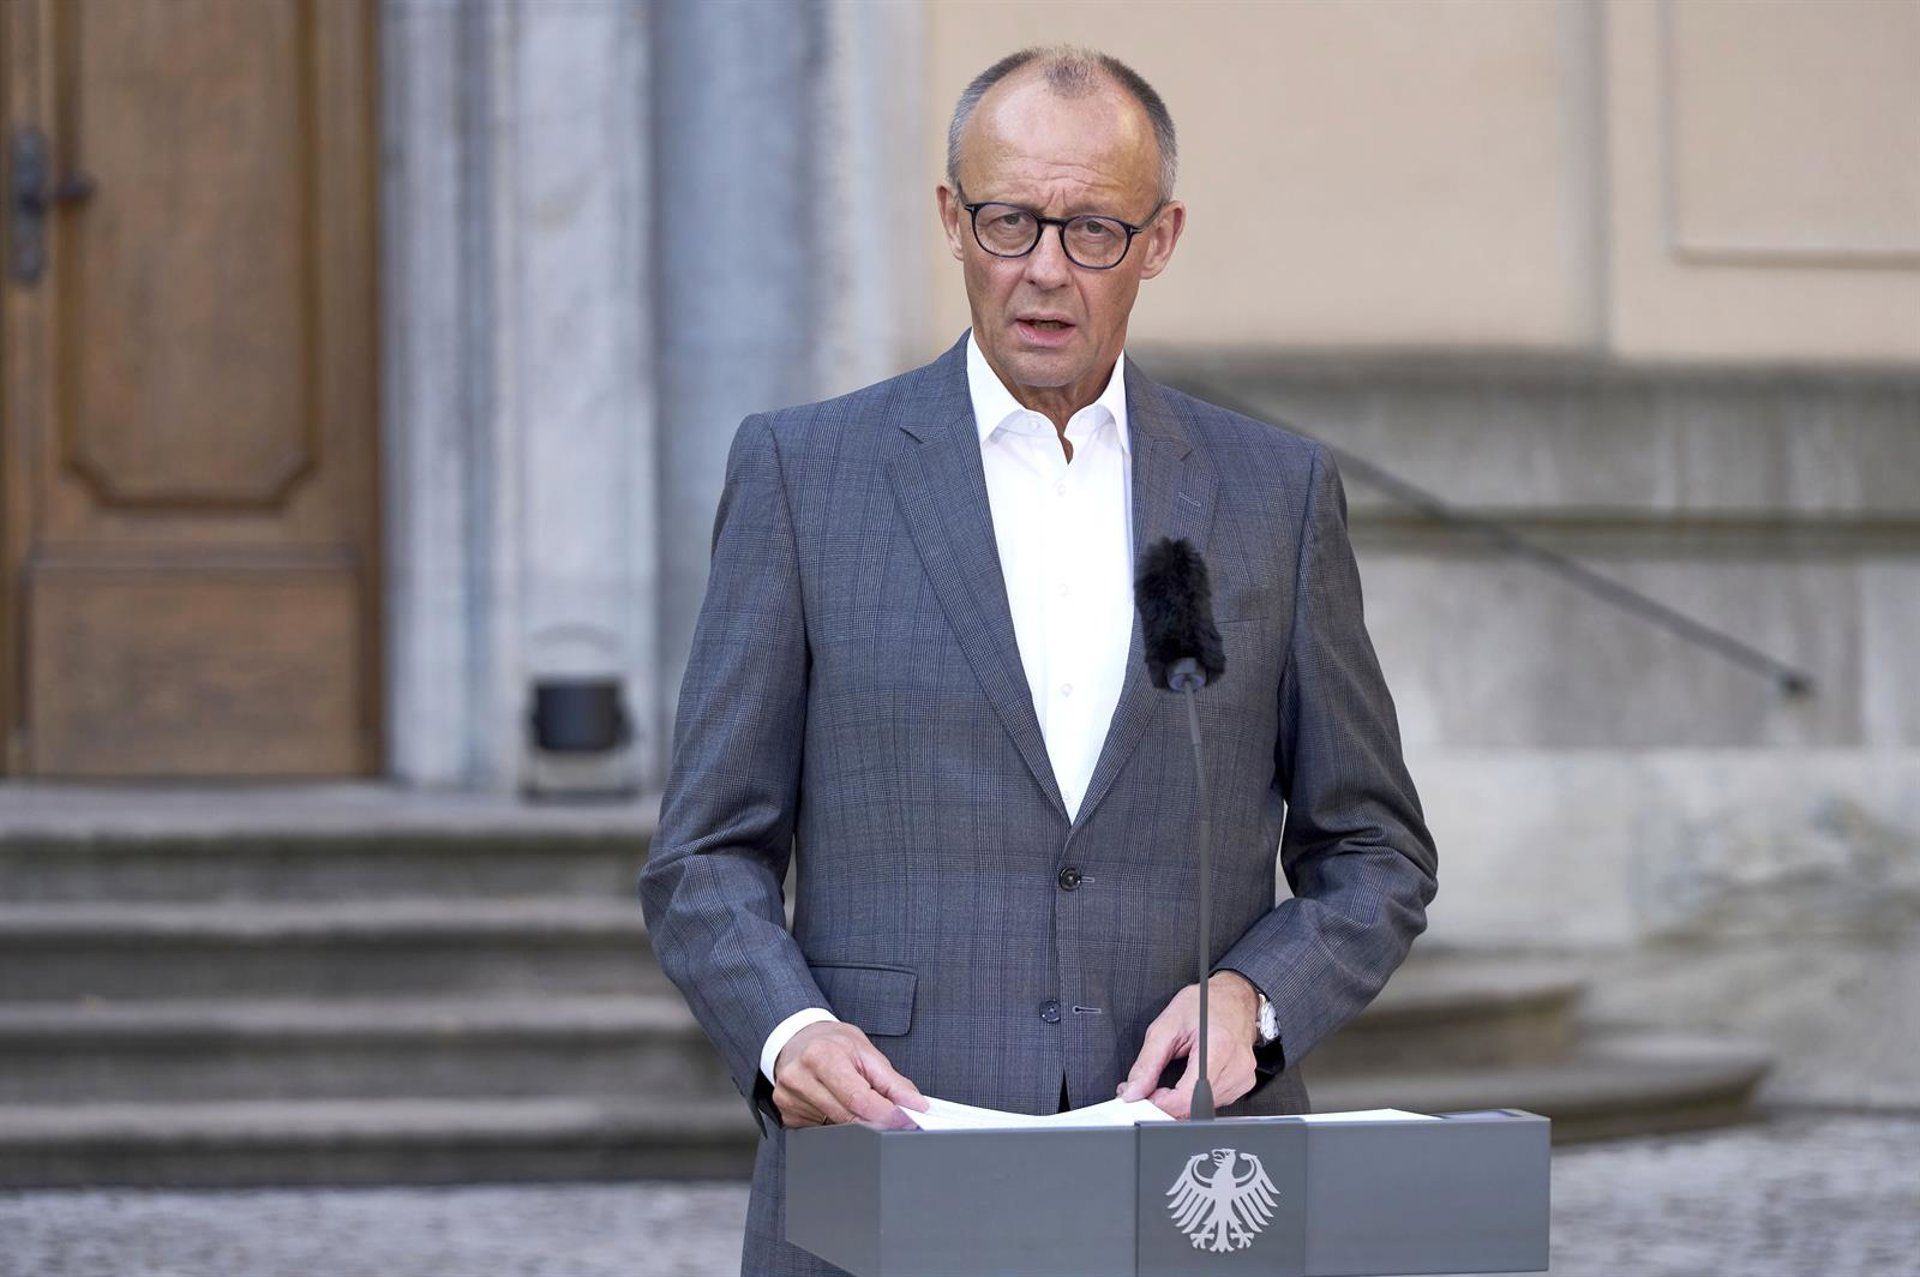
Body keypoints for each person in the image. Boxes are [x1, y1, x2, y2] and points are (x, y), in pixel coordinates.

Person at [638, 45, 1438, 1276]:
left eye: (1094, 230)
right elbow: (703, 852)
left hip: (1192, 1187)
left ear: (1161, 239)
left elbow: (1374, 847)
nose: (1046, 270)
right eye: (1009, 221)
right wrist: (786, 1029)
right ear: (950, 219)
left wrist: (1255, 997)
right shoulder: (804, 475)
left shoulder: (1272, 494)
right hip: (884, 1168)